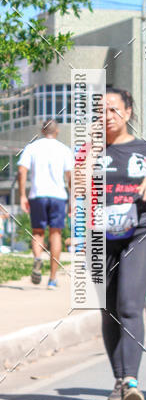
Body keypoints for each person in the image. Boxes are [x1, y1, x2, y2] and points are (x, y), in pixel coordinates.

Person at [98, 88, 146, 400]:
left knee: (128, 305)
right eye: (100, 110)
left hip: (138, 233)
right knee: (109, 311)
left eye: (112, 109)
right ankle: (118, 379)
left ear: (127, 112)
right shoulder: (87, 152)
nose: (106, 116)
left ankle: (130, 382)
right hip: (98, 241)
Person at [17, 119, 73, 289]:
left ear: (42, 131)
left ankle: (37, 258)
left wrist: (22, 196)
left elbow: (21, 170)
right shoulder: (64, 149)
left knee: (38, 232)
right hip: (58, 196)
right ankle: (53, 279)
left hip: (38, 195)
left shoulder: (32, 148)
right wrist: (72, 200)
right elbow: (70, 177)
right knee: (55, 235)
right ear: (57, 132)